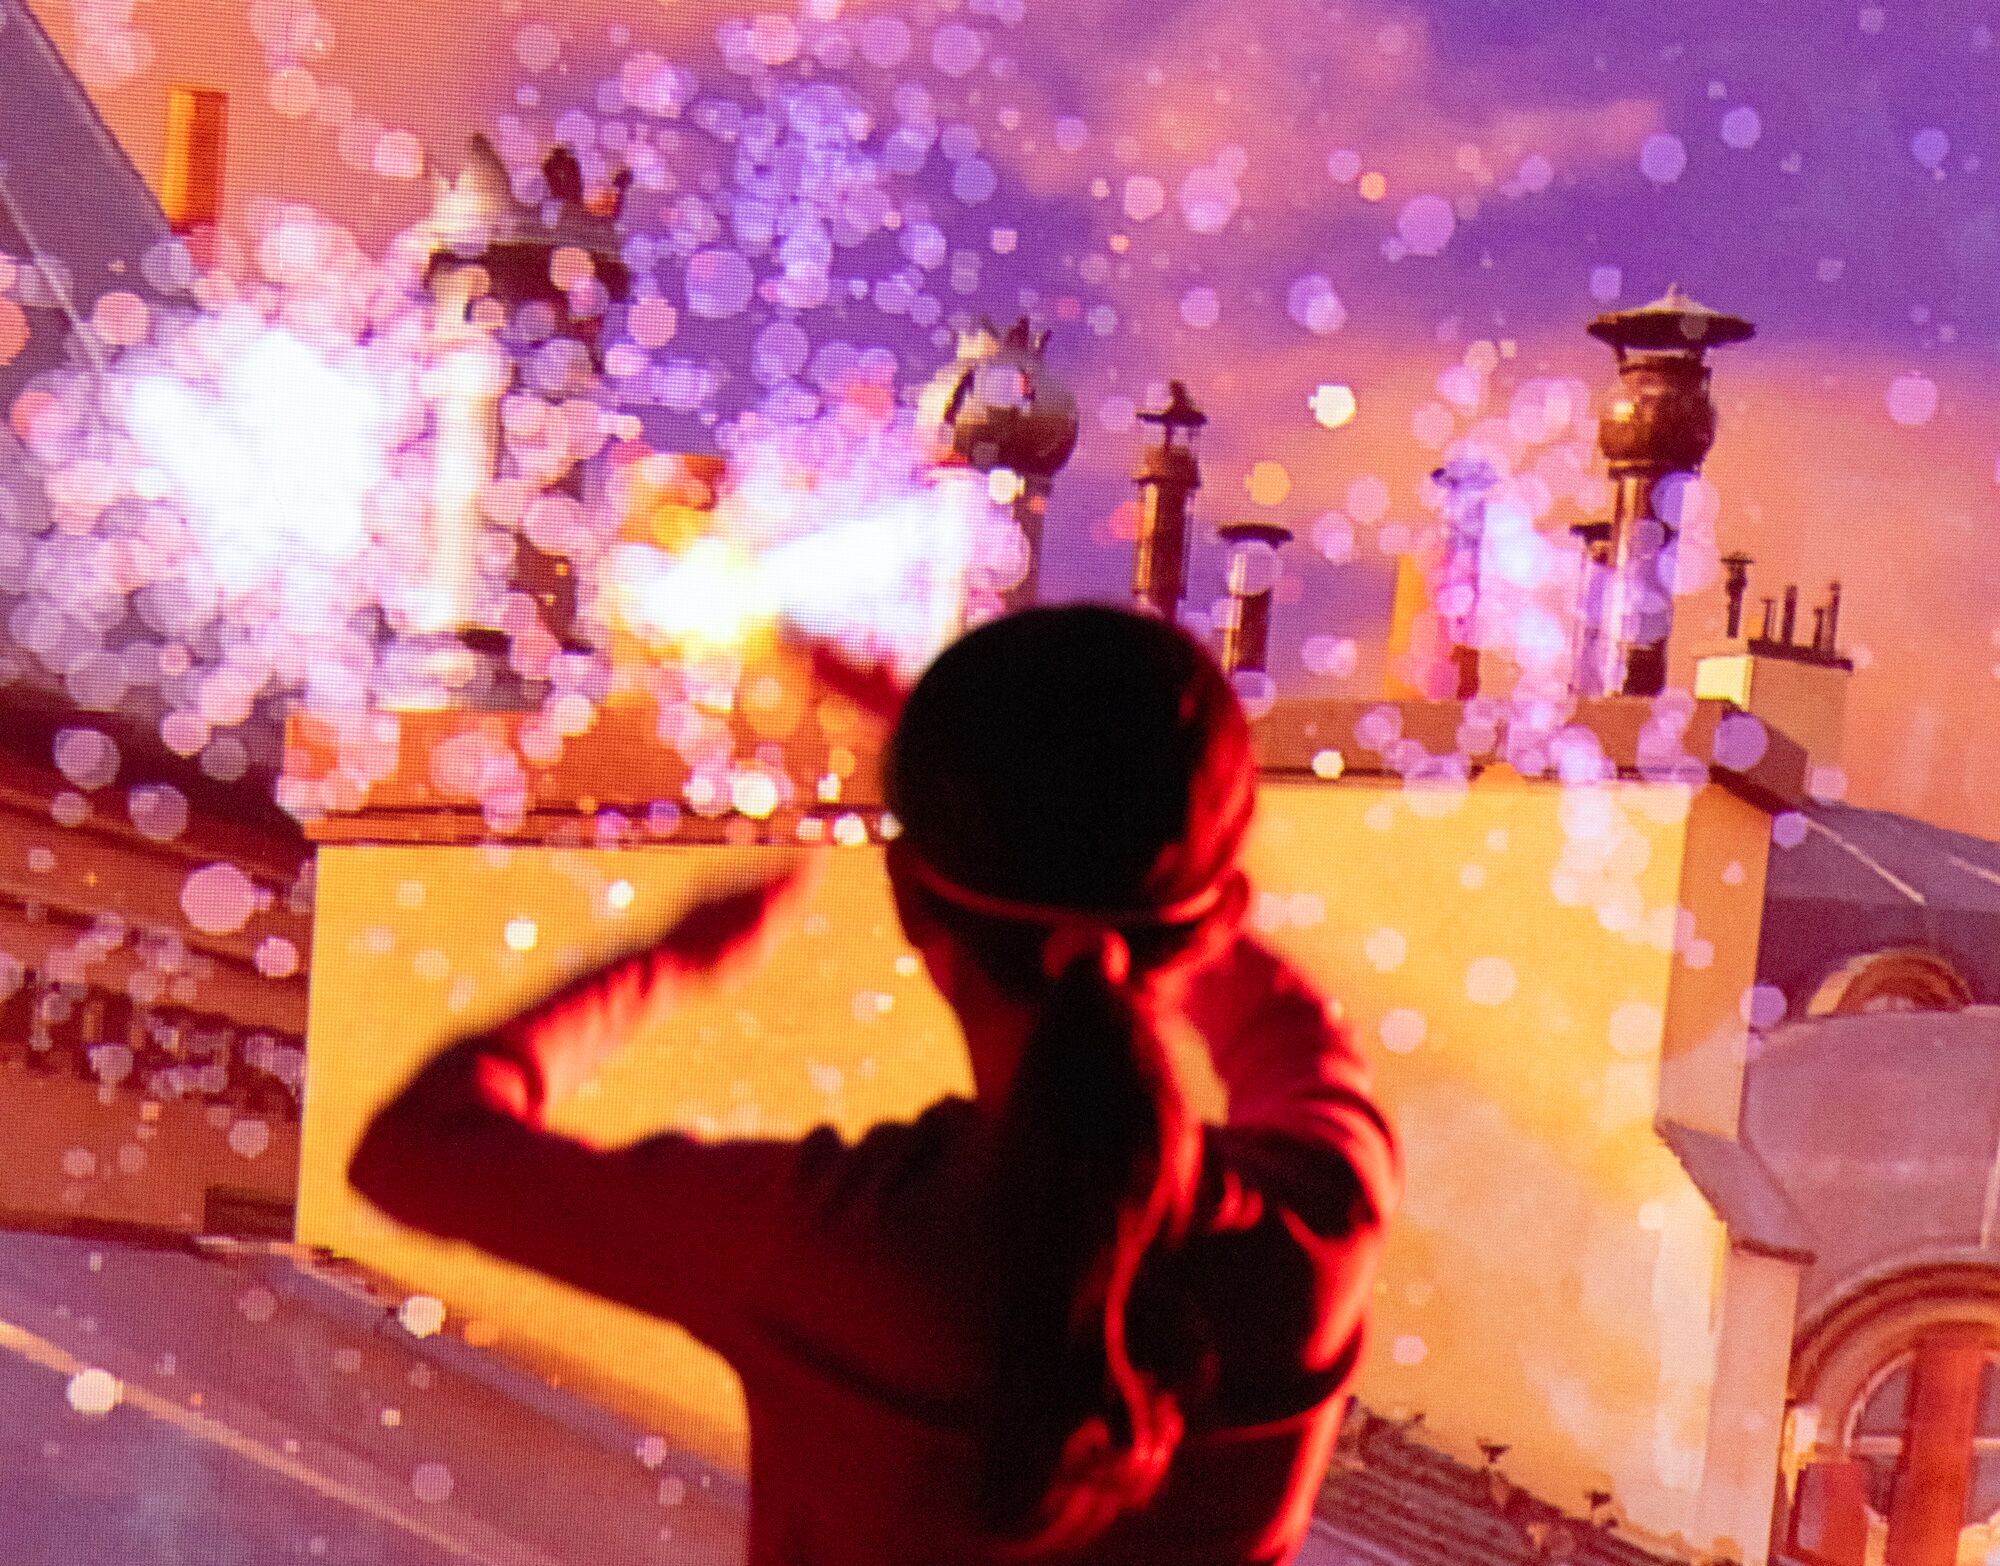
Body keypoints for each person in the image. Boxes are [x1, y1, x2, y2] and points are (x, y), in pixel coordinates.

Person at [348, 605, 1399, 1566]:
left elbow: (413, 1151)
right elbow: (1284, 1027)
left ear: (906, 898)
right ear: (1219, 918)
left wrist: (674, 959)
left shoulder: (822, 1246)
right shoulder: (1321, 1232)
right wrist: (1049, 816)